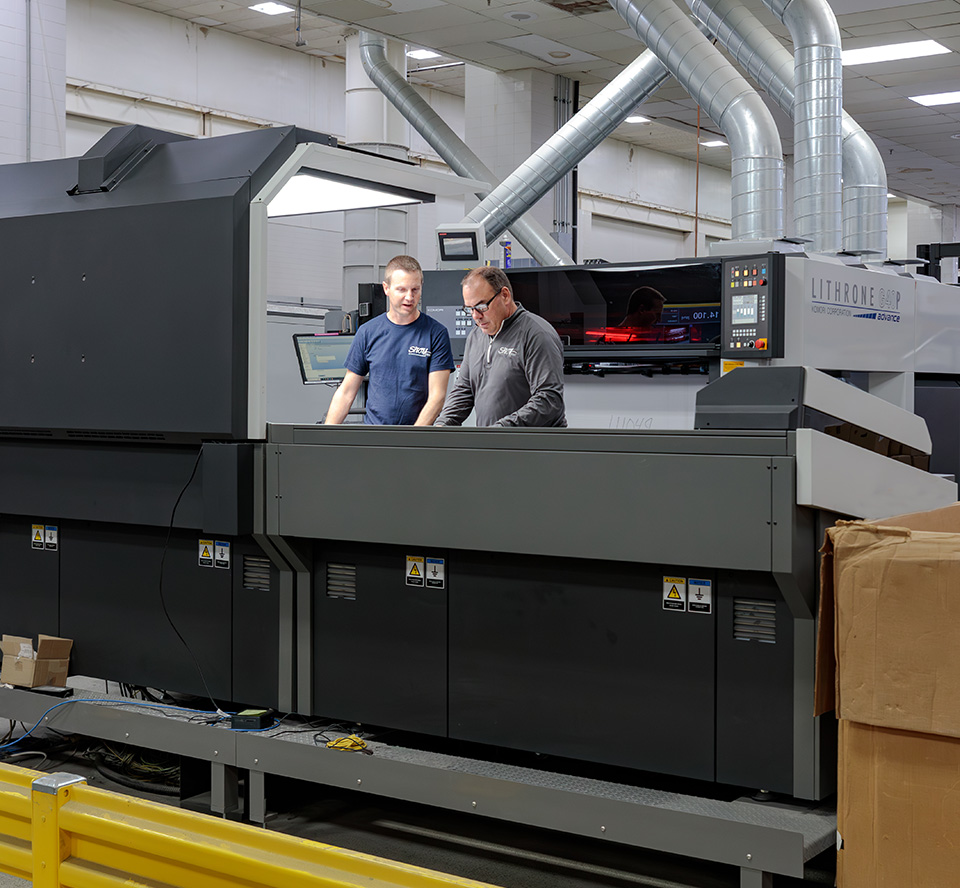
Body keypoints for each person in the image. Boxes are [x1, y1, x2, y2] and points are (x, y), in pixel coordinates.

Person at [325, 255, 454, 425]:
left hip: (416, 439)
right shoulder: (367, 332)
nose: (409, 297)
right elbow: (347, 392)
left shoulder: (435, 334)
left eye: (415, 289)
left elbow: (437, 397)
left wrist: (411, 439)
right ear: (386, 288)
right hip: (375, 438)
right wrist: (327, 435)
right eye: (402, 289)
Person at [435, 266, 566, 427]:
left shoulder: (537, 334)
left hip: (533, 447)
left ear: (504, 295)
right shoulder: (475, 336)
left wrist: (503, 428)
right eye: (469, 309)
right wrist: (441, 425)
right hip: (493, 444)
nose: (476, 316)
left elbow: (549, 400)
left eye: (482, 306)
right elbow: (464, 389)